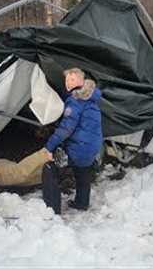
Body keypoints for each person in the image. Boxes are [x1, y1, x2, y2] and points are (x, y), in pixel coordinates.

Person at [42, 68, 103, 214]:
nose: (68, 83)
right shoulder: (92, 99)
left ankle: (52, 210)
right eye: (67, 80)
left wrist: (48, 147)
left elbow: (66, 129)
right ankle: (82, 203)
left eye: (73, 79)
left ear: (82, 81)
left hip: (79, 147)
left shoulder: (75, 100)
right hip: (93, 147)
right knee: (83, 172)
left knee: (50, 167)